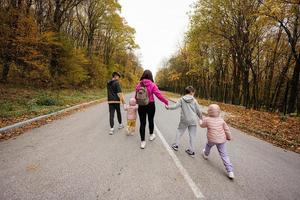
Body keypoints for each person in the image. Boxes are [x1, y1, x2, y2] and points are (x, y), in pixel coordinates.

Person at [199, 104, 234, 179]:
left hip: (211, 139)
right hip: (221, 140)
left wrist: (200, 121)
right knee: (224, 155)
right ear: (218, 112)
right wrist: (229, 137)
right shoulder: (221, 120)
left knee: (208, 145)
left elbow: (202, 125)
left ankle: (206, 154)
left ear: (209, 111)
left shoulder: (207, 119)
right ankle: (230, 171)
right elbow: (227, 130)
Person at [165, 86, 202, 157]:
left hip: (184, 119)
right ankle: (192, 151)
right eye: (194, 92)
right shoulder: (194, 100)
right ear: (192, 92)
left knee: (180, 131)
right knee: (192, 135)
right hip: (193, 120)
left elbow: (175, 106)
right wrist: (201, 118)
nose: (194, 93)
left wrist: (168, 107)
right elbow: (198, 110)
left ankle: (175, 145)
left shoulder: (182, 99)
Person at [136, 70, 169, 149]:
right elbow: (159, 95)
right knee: (151, 120)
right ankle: (151, 135)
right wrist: (166, 101)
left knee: (142, 122)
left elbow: (136, 96)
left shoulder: (139, 85)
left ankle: (142, 142)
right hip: (150, 105)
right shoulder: (152, 85)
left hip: (141, 105)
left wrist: (135, 104)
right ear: (151, 76)